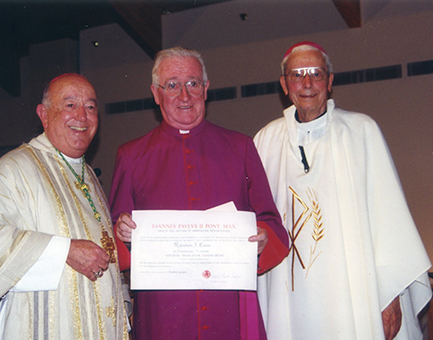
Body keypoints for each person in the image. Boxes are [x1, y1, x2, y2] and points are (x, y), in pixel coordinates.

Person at [253, 41, 432, 340]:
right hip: (287, 299)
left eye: (316, 73)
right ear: (284, 84)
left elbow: (390, 224)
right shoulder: (265, 141)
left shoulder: (361, 132)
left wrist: (391, 296)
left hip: (353, 295)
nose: (307, 83)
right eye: (297, 75)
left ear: (330, 81)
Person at [109, 46, 289, 340]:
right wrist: (123, 231)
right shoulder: (131, 155)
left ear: (206, 89)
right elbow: (115, 235)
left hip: (228, 305)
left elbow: (272, 223)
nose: (184, 95)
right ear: (156, 94)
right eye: (172, 85)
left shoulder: (240, 147)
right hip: (164, 311)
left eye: (192, 83)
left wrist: (262, 237)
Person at [0, 74, 130, 340]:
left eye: (91, 107)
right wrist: (63, 250)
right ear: (43, 114)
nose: (82, 116)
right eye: (70, 105)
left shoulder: (88, 175)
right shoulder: (13, 169)